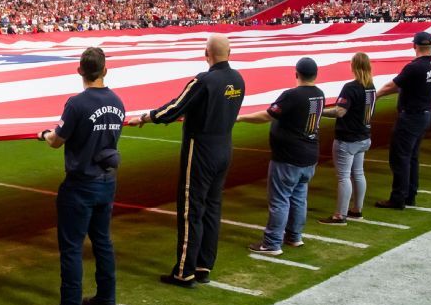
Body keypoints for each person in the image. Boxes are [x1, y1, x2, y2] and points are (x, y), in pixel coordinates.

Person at [134, 34, 245, 287]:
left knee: (190, 209)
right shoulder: (238, 79)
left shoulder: (204, 81)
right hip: (224, 147)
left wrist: (145, 117)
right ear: (230, 51)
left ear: (207, 53)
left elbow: (174, 109)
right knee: (212, 208)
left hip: (201, 150)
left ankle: (184, 271)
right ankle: (204, 265)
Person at [36, 48, 124, 305]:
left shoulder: (77, 104)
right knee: (103, 243)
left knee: (72, 248)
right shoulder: (118, 102)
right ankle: (106, 300)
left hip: (80, 184)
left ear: (79, 71)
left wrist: (44, 134)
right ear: (105, 70)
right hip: (107, 180)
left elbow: (57, 140)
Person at [238, 57, 326, 255]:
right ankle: (294, 237)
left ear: (296, 73)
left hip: (289, 157)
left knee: (280, 200)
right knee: (299, 198)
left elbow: (268, 115)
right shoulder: (319, 94)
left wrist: (241, 117)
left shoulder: (292, 95)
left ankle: (272, 243)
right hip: (309, 155)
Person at [376, 32, 431, 210]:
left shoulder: (415, 67)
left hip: (412, 117)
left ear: (414, 46)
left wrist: (376, 95)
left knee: (400, 158)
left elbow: (393, 85)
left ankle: (398, 198)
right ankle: (410, 194)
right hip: (424, 114)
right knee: (412, 157)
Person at [318, 52, 376, 225]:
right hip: (364, 137)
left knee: (344, 177)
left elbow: (340, 111)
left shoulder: (351, 87)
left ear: (354, 66)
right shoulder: (371, 86)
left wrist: (319, 112)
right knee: (358, 173)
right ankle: (357, 209)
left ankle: (340, 215)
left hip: (348, 138)